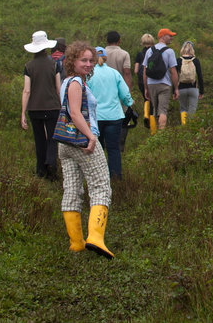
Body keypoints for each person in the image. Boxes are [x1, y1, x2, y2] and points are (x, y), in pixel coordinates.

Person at [58, 41, 114, 258]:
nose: (89, 64)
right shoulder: (76, 83)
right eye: (84, 60)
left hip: (65, 143)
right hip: (83, 141)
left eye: (91, 60)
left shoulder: (65, 82)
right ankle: (96, 238)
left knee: (72, 189)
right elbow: (74, 112)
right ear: (72, 61)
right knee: (101, 186)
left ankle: (76, 243)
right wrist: (90, 136)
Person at [87, 47, 133, 180]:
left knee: (97, 149)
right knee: (113, 149)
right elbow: (125, 94)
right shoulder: (114, 73)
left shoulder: (89, 75)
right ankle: (116, 176)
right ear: (106, 58)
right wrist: (129, 103)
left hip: (95, 118)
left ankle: (98, 177)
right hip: (114, 116)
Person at [21, 30, 61, 180]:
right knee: (52, 138)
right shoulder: (54, 64)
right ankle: (51, 165)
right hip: (52, 106)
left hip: (34, 108)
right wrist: (62, 106)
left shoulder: (28, 66)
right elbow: (58, 88)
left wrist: (23, 113)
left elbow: (26, 90)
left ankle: (41, 170)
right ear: (46, 47)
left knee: (39, 139)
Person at [142, 28, 179, 132]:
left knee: (154, 110)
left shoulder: (149, 50)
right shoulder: (169, 51)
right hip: (164, 84)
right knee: (162, 110)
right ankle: (161, 134)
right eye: (170, 36)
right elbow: (173, 71)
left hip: (151, 84)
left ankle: (154, 133)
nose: (171, 38)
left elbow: (145, 70)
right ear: (162, 36)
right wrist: (176, 88)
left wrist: (146, 88)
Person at [104, 31, 132, 152]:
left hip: (103, 90)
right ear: (119, 41)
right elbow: (127, 72)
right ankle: (119, 145)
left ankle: (104, 143)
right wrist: (127, 91)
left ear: (107, 41)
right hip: (119, 90)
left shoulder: (101, 54)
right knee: (121, 117)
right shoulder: (124, 54)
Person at [177, 41, 205, 123]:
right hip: (193, 89)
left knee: (183, 109)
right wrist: (201, 91)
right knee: (192, 111)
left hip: (181, 89)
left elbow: (174, 76)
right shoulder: (196, 60)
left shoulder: (178, 60)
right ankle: (190, 129)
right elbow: (200, 76)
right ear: (192, 49)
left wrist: (174, 91)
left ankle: (184, 126)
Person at [134, 33, 155, 123]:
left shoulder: (139, 54)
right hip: (153, 80)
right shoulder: (155, 52)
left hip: (142, 81)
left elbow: (135, 70)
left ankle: (146, 115)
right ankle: (153, 120)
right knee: (154, 101)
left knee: (146, 98)